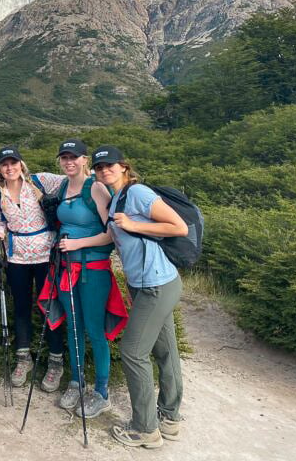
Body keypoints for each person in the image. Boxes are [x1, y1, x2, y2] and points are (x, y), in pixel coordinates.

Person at [92, 145, 188, 448]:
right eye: (99, 167)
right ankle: (170, 419)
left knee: (133, 352)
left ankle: (145, 428)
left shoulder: (137, 193)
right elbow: (112, 234)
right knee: (165, 350)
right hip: (147, 284)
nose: (105, 170)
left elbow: (179, 227)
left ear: (123, 166)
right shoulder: (117, 196)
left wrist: (134, 224)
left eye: (110, 165)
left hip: (155, 285)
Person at [37, 139, 127, 418]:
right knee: (73, 328)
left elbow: (111, 233)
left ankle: (101, 392)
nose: (69, 162)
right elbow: (19, 175)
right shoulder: (62, 186)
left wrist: (77, 244)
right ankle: (76, 382)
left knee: (94, 330)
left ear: (85, 159)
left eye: (74, 157)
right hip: (65, 269)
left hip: (93, 270)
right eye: (64, 157)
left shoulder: (96, 188)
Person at [0, 146, 65, 388]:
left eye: (13, 162)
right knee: (21, 306)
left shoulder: (40, 181)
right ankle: (24, 358)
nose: (9, 167)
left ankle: (56, 361)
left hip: (46, 254)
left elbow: (72, 180)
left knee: (49, 305)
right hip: (17, 256)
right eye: (4, 164)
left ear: (21, 164)